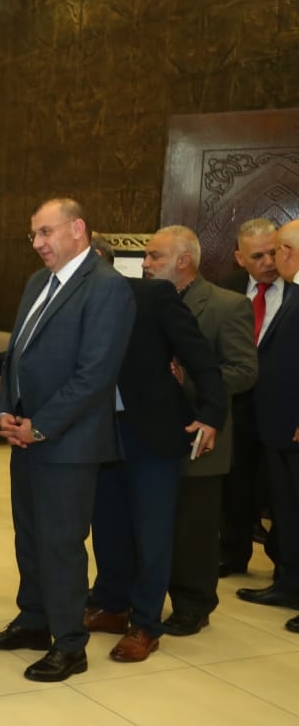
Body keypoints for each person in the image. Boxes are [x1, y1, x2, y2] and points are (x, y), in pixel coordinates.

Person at [0, 198, 134, 682]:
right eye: (34, 235)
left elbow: (95, 375)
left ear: (78, 229)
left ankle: (69, 643)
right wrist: (6, 409)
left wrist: (41, 425)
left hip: (68, 444)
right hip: (26, 435)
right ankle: (33, 620)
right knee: (29, 536)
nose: (38, 243)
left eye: (46, 232)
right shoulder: (37, 282)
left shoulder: (106, 287)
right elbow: (18, 354)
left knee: (61, 543)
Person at [85, 236, 224, 663]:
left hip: (153, 433)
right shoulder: (73, 302)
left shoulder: (153, 296)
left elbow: (201, 359)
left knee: (152, 532)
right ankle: (112, 605)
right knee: (107, 525)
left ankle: (146, 623)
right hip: (101, 431)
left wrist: (211, 415)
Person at [142, 226, 257, 636]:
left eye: (154, 256)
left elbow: (244, 371)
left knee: (194, 528)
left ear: (183, 260)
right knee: (150, 522)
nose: (146, 263)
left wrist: (190, 379)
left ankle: (193, 604)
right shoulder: (145, 301)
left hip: (200, 433)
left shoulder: (227, 305)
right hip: (149, 433)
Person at [219, 218, 287, 576]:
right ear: (240, 258)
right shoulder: (227, 289)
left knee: (280, 490)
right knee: (235, 484)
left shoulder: (294, 290)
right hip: (238, 405)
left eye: (273, 252)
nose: (269, 262)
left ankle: (284, 566)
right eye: (258, 256)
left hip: (283, 408)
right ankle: (231, 554)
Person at [243, 219, 299, 628]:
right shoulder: (293, 292)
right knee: (287, 511)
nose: (273, 257)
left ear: (290, 252)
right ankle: (290, 584)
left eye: (277, 248)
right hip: (278, 425)